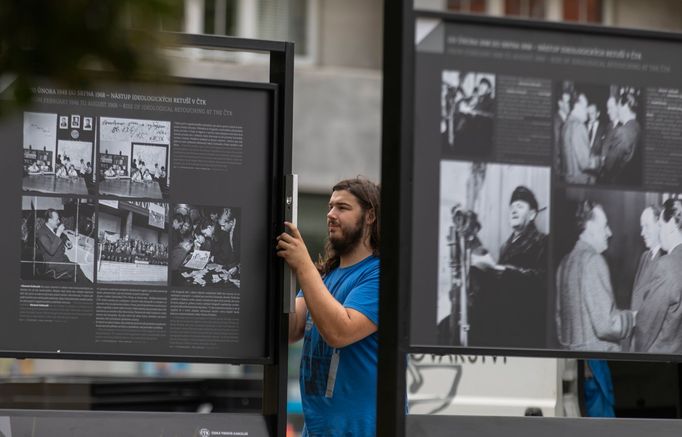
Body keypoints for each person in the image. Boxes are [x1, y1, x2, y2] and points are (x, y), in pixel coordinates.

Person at [277, 177, 380, 437]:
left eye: (342, 208)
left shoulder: (380, 275)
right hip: (316, 431)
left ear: (370, 216)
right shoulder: (325, 277)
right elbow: (291, 329)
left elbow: (339, 331)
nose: (331, 215)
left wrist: (303, 265)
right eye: (330, 207)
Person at [471, 186, 548, 347]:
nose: (514, 210)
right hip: (501, 315)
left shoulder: (543, 241)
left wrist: (507, 272)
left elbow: (542, 280)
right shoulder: (505, 246)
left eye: (520, 206)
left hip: (523, 323)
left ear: (532, 214)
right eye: (512, 207)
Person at [555, 200, 635, 351]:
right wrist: (632, 318)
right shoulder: (593, 261)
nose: (609, 233)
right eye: (605, 226)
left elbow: (559, 321)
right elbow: (606, 325)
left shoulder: (564, 262)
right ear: (590, 227)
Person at [632, 199, 682, 353]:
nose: (659, 232)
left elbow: (647, 326)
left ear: (673, 224)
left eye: (660, 226)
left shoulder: (666, 265)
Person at [601, 92, 641, 184]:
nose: (617, 110)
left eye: (618, 106)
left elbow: (609, 165)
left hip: (617, 181)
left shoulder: (623, 131)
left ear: (625, 106)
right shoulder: (638, 127)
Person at [561, 98, 594, 184]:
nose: (587, 111)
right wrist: (600, 161)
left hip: (569, 179)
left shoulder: (566, 124)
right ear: (577, 107)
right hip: (581, 180)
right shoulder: (579, 127)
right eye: (585, 107)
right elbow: (585, 163)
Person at [36, 209, 74, 280]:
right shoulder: (41, 233)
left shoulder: (52, 228)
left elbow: (63, 236)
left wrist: (66, 241)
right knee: (76, 268)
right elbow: (51, 250)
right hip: (52, 264)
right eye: (57, 220)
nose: (59, 221)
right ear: (50, 220)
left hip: (61, 259)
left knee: (76, 269)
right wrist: (58, 233)